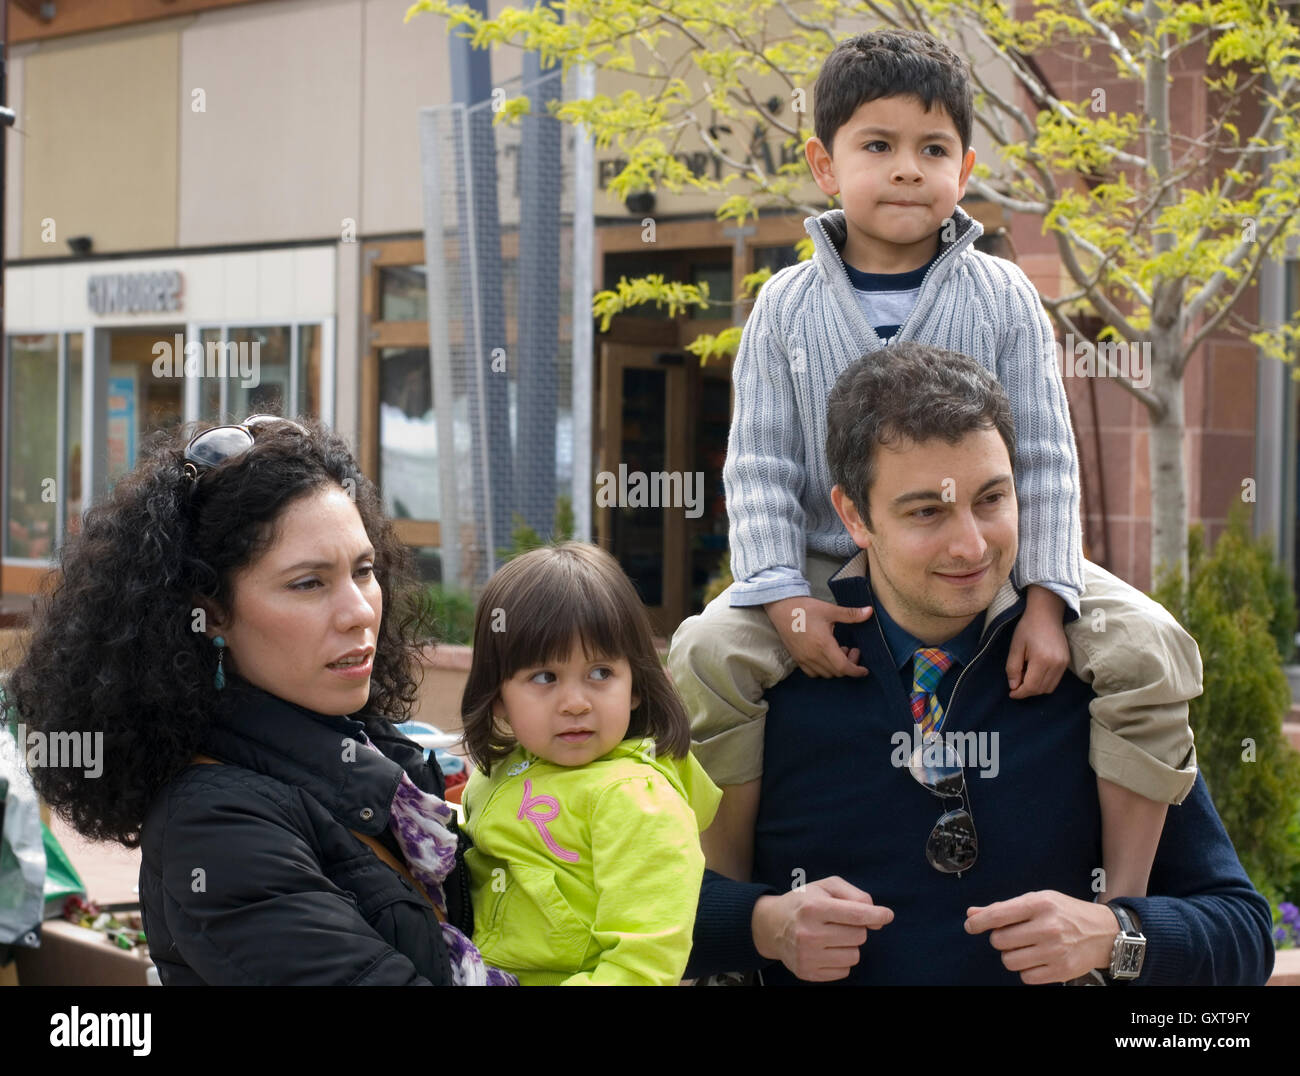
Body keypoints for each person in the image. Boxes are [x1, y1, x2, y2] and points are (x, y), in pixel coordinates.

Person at [668, 28, 1200, 905]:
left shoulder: (1004, 294)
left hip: (988, 557)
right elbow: (758, 466)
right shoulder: (784, 308)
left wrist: (1045, 598)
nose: (908, 168)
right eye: (878, 146)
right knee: (704, 655)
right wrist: (777, 593)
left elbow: (1045, 459)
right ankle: (729, 903)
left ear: (966, 163)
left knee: (1147, 647)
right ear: (825, 163)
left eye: (933, 148)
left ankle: (1123, 897)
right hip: (818, 559)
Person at [685, 346, 1275, 986]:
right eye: (927, 512)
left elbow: (1241, 931)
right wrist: (763, 925)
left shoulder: (1106, 680)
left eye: (991, 499)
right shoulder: (764, 686)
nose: (970, 545)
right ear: (854, 515)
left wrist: (1114, 934)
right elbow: (632, 922)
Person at [9, 415, 512, 985]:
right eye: (308, 583)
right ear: (213, 613)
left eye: (364, 571)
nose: (360, 611)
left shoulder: (376, 758)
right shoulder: (214, 827)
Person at [458, 542, 721, 985]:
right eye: (545, 677)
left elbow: (643, 962)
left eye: (601, 673)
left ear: (635, 685)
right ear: (498, 696)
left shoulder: (637, 801)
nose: (576, 704)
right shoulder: (497, 772)